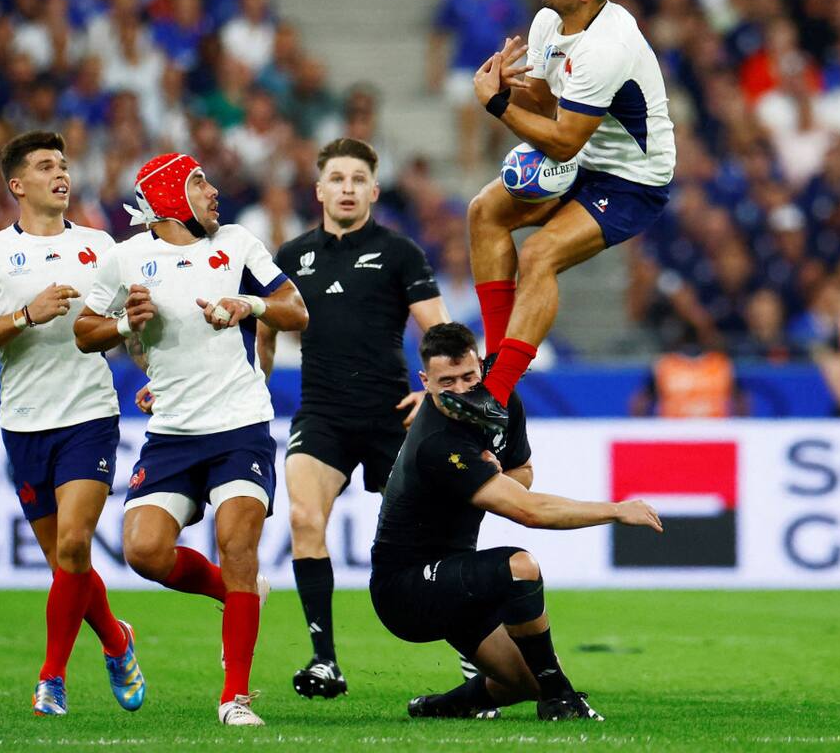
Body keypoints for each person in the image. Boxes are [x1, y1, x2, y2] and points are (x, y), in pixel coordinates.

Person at [74, 151, 308, 726]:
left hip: (241, 424)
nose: (213, 190)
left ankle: (235, 697)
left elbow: (295, 310)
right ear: (170, 195)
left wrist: (246, 303)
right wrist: (127, 323)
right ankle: (240, 592)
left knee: (237, 545)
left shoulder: (236, 243)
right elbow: (85, 331)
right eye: (199, 181)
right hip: (173, 431)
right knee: (144, 552)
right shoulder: (125, 258)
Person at [370, 322, 663, 721]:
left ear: (481, 369)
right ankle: (562, 699)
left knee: (522, 682)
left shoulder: (501, 404)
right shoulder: (438, 443)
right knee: (520, 567)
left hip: (457, 574)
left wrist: (496, 478)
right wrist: (614, 509)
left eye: (468, 377)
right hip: (405, 589)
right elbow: (529, 511)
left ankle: (440, 707)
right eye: (446, 382)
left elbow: (523, 472)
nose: (460, 391)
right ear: (425, 381)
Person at [445, 0, 675, 433]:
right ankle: (495, 363)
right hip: (585, 158)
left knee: (539, 253)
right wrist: (511, 87)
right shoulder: (549, 20)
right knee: (483, 212)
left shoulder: (607, 48)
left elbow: (566, 140)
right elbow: (548, 105)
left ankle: (495, 396)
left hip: (633, 177)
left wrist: (495, 105)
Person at [0, 130, 145, 717]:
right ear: (17, 185)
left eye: (62, 164)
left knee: (74, 542)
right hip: (25, 423)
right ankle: (117, 639)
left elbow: (130, 323)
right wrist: (24, 315)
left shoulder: (101, 246)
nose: (60, 173)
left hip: (90, 415)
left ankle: (51, 680)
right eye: (44, 165)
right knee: (69, 564)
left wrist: (151, 368)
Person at [257, 138, 450, 699]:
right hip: (322, 415)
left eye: (357, 179)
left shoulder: (399, 252)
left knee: (435, 535)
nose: (346, 188)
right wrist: (254, 388)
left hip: (391, 414)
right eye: (336, 178)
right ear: (318, 190)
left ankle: (471, 653)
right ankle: (324, 661)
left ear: (373, 189)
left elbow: (437, 329)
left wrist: (435, 394)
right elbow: (266, 328)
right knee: (302, 517)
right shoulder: (290, 257)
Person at [426, 0, 527, 173]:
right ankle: (469, 164)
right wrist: (434, 67)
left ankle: (491, 153)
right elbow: (438, 33)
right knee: (466, 113)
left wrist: (516, 66)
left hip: (498, 65)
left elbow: (519, 32)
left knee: (498, 121)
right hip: (465, 66)